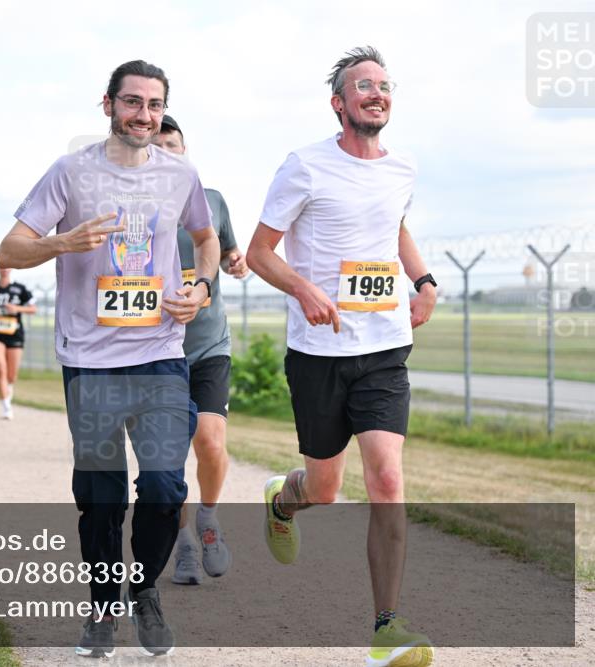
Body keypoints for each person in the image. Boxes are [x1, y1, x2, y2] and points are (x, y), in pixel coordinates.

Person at [0, 59, 219, 658]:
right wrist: (60, 242)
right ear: (108, 105)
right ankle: (101, 610)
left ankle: (141, 588)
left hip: (160, 356)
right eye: (132, 103)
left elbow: (206, 236)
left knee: (168, 488)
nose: (143, 115)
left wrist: (199, 288)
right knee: (101, 497)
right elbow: (9, 249)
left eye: (153, 104)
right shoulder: (69, 173)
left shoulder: (181, 175)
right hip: (91, 362)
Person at [245, 46, 437, 667]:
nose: (377, 94)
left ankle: (387, 626)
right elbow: (259, 253)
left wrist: (425, 280)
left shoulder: (402, 168)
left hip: (383, 348)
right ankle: (284, 500)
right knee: (324, 490)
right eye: (364, 86)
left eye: (384, 85)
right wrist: (304, 289)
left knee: (385, 477)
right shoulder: (304, 166)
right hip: (319, 354)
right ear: (340, 103)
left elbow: (395, 224)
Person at [151, 114, 250, 585]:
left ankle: (208, 517)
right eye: (158, 145)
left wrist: (235, 260)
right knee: (170, 460)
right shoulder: (133, 211)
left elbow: (229, 250)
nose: (167, 153)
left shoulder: (211, 202)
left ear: (185, 152)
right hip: (157, 350)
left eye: (174, 145)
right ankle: (184, 543)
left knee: (209, 441)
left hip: (209, 344)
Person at [0, 268, 36, 419]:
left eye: (7, 266)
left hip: (14, 333)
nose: (4, 269)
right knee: (1, 367)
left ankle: (8, 390)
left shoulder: (19, 288)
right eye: (1, 266)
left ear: (11, 268)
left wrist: (16, 308)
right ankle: (6, 406)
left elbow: (33, 308)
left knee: (11, 375)